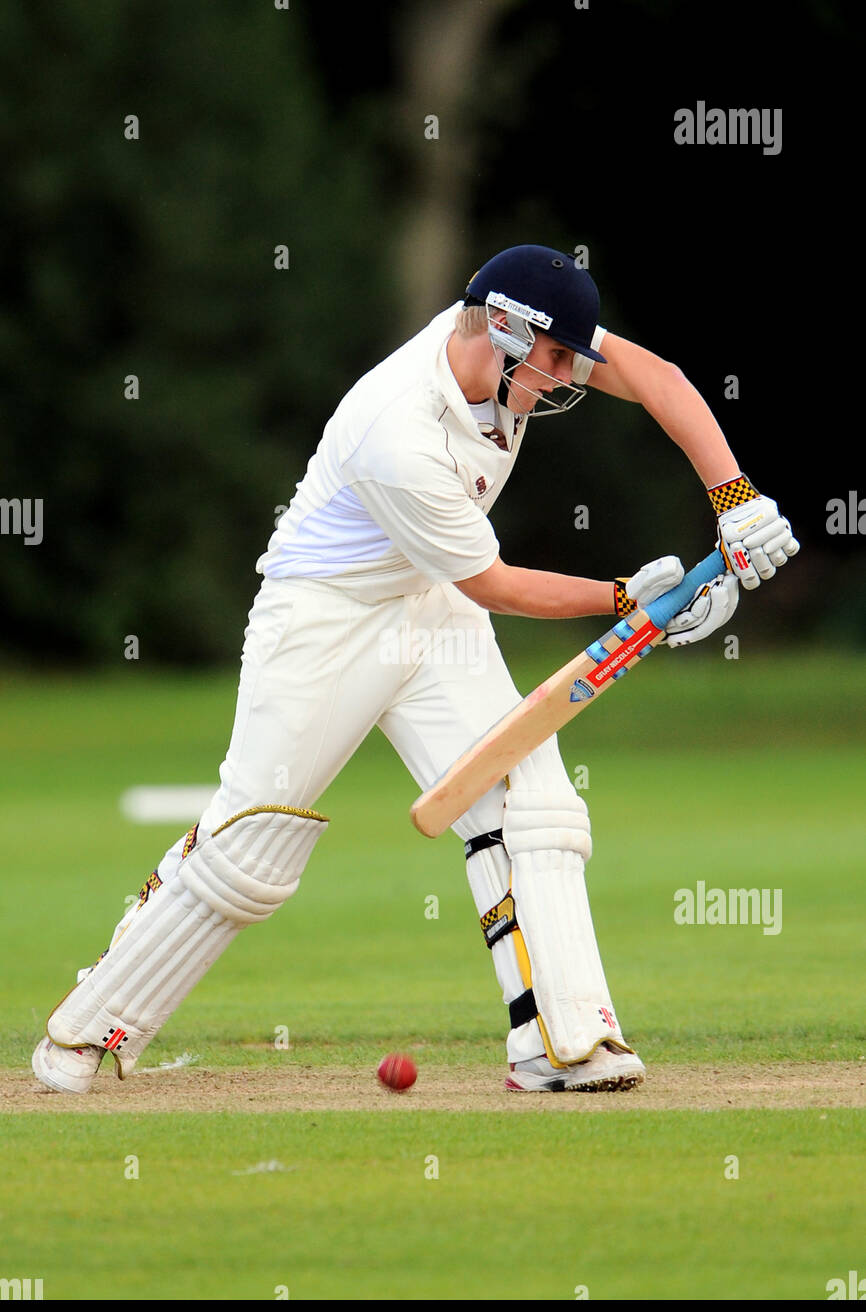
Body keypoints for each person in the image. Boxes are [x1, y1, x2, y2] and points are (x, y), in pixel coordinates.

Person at [32, 245, 798, 1096]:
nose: (563, 380)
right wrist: (631, 601)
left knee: (534, 805)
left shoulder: (526, 336)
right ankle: (85, 1033)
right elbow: (494, 583)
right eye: (550, 363)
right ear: (502, 331)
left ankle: (563, 1043)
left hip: (429, 608)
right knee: (254, 843)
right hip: (324, 620)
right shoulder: (399, 426)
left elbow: (657, 377)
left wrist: (736, 498)